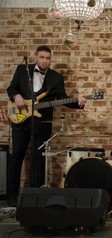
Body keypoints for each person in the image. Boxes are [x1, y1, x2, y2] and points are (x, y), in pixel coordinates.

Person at [6, 45, 87, 207]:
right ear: (35, 57)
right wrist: (16, 95)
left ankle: (36, 196)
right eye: (42, 57)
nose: (45, 60)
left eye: (48, 58)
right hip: (20, 120)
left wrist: (78, 103)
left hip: (42, 124)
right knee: (16, 158)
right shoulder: (23, 70)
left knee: (38, 161)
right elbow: (11, 88)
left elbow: (63, 98)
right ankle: (12, 197)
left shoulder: (56, 78)